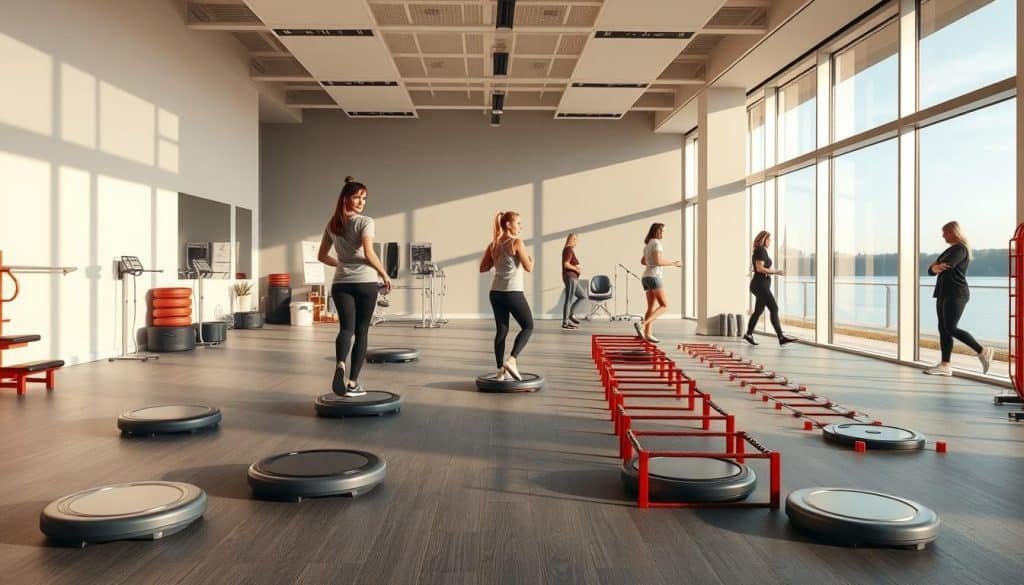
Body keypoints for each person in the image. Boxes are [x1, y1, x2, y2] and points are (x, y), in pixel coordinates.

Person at [317, 176, 392, 396]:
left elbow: (322, 256)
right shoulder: (365, 221)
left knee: (345, 329)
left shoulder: (332, 225)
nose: (361, 202)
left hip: (340, 284)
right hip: (365, 283)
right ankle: (352, 382)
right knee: (361, 332)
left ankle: (340, 363)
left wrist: (341, 262)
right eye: (357, 197)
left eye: (364, 198)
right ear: (346, 198)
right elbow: (369, 253)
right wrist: (384, 273)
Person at [924, 221, 993, 376]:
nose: (942, 236)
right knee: (943, 329)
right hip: (943, 292)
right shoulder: (949, 250)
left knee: (950, 327)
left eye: (945, 233)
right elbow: (931, 270)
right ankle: (945, 365)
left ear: (953, 232)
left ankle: (982, 350)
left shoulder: (960, 249)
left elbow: (945, 266)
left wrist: (936, 267)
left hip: (956, 293)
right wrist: (935, 267)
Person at [479, 210, 534, 381]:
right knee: (528, 326)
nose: (521, 226)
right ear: (508, 225)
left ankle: (500, 372)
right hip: (513, 292)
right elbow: (529, 267)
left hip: (495, 293)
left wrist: (497, 261)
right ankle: (512, 360)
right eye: (518, 223)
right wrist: (531, 259)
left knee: (502, 330)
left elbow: (483, 268)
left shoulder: (493, 244)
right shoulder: (517, 242)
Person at [742, 231, 795, 346]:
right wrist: (776, 271)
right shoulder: (760, 250)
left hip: (760, 284)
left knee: (758, 311)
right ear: (763, 239)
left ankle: (748, 334)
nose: (770, 242)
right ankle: (781, 337)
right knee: (774, 308)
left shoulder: (761, 251)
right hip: (760, 285)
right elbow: (760, 268)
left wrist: (769, 271)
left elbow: (760, 268)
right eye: (768, 239)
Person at [634, 222, 681, 343]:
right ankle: (642, 324)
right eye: (663, 231)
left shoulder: (648, 244)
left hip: (646, 277)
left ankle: (647, 334)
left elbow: (643, 262)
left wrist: (651, 262)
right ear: (658, 231)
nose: (664, 233)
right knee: (664, 306)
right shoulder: (657, 244)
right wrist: (673, 263)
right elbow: (658, 261)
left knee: (651, 307)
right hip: (654, 277)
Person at [561, 233, 585, 329]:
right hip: (571, 277)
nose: (576, 241)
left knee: (582, 296)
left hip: (573, 278)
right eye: (574, 239)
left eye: (576, 239)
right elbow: (566, 264)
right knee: (569, 299)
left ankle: (570, 314)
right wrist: (576, 269)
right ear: (571, 240)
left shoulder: (569, 250)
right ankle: (565, 322)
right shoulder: (568, 249)